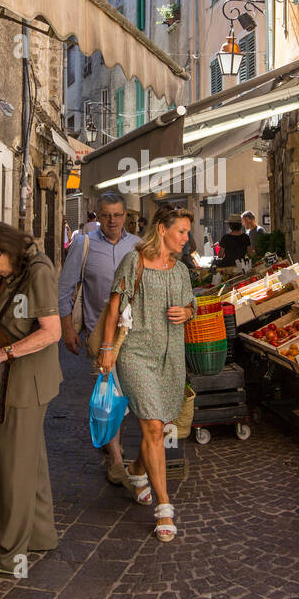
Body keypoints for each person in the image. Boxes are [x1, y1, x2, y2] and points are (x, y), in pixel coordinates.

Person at [0, 221, 62, 575]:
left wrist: (3, 352)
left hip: (25, 382)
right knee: (29, 464)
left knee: (12, 469)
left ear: (7, 249)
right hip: (14, 379)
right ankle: (39, 535)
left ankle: (8, 556)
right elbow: (2, 313)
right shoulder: (12, 271)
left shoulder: (37, 271)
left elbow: (51, 332)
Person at [97, 206, 196, 541]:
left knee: (161, 422)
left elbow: (191, 306)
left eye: (187, 231)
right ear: (163, 230)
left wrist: (187, 311)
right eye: (181, 231)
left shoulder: (181, 270)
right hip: (136, 354)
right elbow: (114, 306)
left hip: (170, 354)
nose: (186, 237)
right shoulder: (134, 261)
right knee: (153, 425)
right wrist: (107, 349)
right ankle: (164, 508)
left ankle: (138, 471)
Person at [56, 191, 140, 485]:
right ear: (97, 215)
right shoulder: (84, 244)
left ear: (126, 215)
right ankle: (115, 459)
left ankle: (111, 442)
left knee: (129, 394)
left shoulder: (137, 246)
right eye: (106, 215)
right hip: (99, 335)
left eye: (117, 215)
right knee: (110, 394)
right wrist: (67, 329)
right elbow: (65, 288)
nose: (112, 221)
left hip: (135, 333)